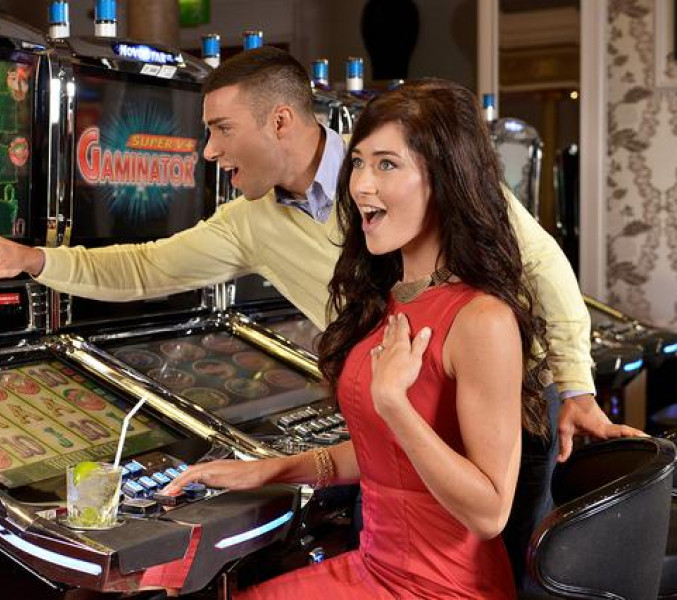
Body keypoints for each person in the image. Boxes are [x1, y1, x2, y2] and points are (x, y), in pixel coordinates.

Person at [0, 46, 641, 585]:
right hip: (396, 418)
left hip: (497, 402)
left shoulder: (419, 178)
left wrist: (576, 387)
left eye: (220, 129)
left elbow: (541, 266)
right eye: (362, 167)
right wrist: (31, 258)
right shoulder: (258, 224)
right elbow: (146, 268)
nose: (209, 151)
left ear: (280, 120)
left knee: (502, 573)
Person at [164, 79, 542, 597]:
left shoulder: (482, 319)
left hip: (440, 588)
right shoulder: (389, 299)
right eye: (358, 162)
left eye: (387, 165)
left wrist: (395, 405)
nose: (361, 185)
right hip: (375, 568)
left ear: (444, 180)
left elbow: (490, 511)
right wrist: (271, 470)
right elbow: (383, 454)